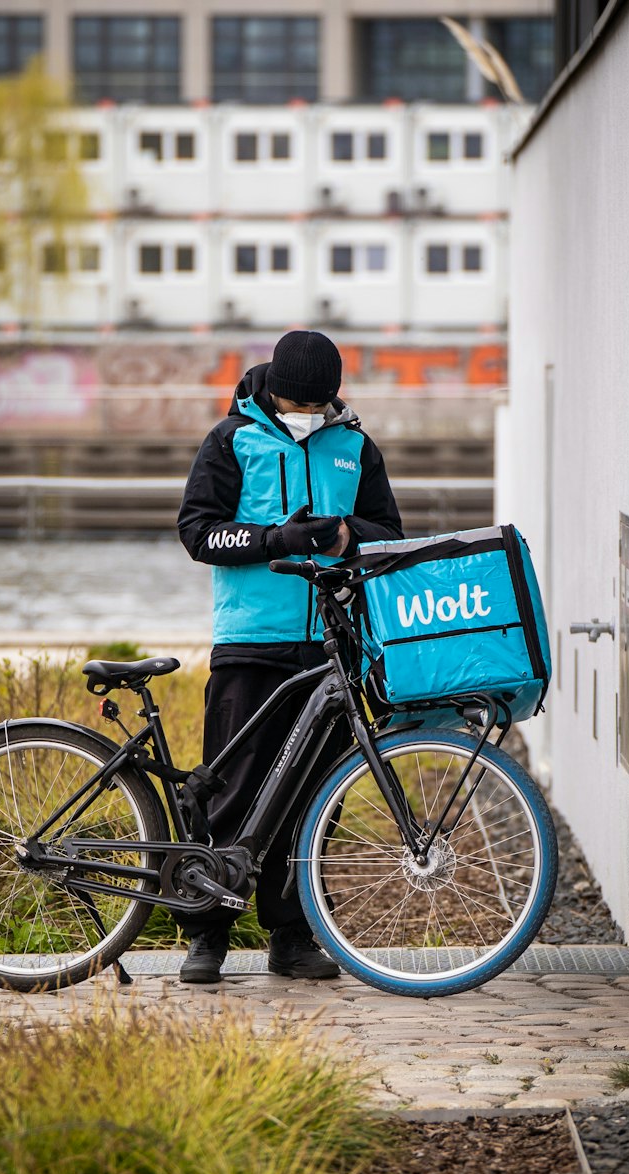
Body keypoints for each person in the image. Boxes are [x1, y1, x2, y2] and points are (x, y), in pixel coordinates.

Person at [177, 330, 403, 984]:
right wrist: (272, 537)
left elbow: (390, 536)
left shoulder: (355, 448)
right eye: (291, 402)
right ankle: (207, 934)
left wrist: (342, 534)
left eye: (314, 404)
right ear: (271, 389)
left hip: (332, 647)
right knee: (230, 791)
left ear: (331, 398)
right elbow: (197, 531)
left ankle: (292, 936)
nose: (303, 412)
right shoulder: (231, 440)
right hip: (249, 642)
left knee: (311, 796)